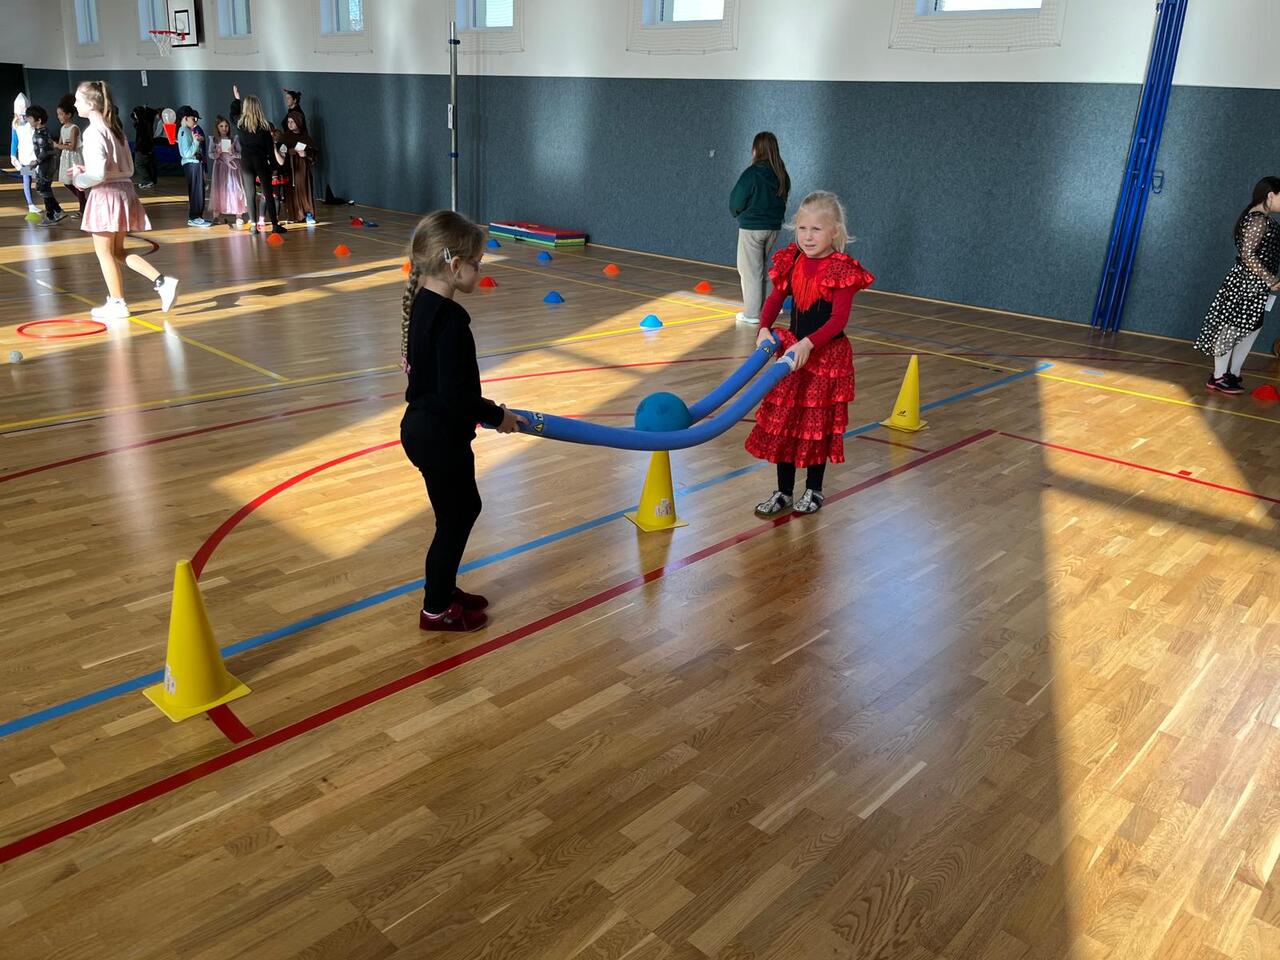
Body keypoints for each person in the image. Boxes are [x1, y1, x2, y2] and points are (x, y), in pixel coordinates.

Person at [400, 210, 525, 632]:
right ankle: (436, 608)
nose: (480, 270)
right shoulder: (452, 321)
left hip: (423, 429)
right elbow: (458, 397)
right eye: (477, 263)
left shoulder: (423, 303)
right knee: (459, 514)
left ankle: (444, 590)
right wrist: (498, 416)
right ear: (455, 266)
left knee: (454, 514)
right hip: (440, 436)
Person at [745, 191, 875, 517]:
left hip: (825, 357)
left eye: (816, 229)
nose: (807, 236)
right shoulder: (792, 260)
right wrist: (763, 327)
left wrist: (807, 344)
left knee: (816, 424)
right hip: (793, 355)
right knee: (785, 421)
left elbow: (838, 320)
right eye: (802, 228)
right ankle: (783, 491)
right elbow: (775, 299)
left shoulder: (841, 269)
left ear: (835, 231)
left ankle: (814, 489)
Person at [66, 80, 178, 319]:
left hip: (106, 196)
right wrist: (88, 171)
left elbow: (97, 175)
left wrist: (79, 178)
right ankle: (162, 282)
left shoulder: (93, 132)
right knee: (117, 251)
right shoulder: (116, 130)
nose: (75, 104)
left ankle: (118, 303)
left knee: (104, 253)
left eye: (77, 100)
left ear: (90, 104)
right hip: (124, 191)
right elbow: (124, 169)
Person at [1194, 176, 1280, 394]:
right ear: (1271, 195)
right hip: (1246, 284)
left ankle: (1232, 373)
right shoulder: (1258, 220)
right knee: (1232, 329)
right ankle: (1219, 376)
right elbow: (1247, 255)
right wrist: (1270, 279)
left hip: (1256, 285)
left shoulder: (1263, 219)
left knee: (1252, 327)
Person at [730, 131, 789, 325]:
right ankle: (768, 309)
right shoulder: (781, 174)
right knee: (760, 268)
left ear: (756, 149)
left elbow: (736, 200)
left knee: (749, 271)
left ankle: (752, 315)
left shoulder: (752, 173)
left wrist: (737, 213)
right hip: (773, 228)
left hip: (752, 228)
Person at [230, 88, 285, 234]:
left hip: (246, 161)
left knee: (250, 193)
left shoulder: (240, 124)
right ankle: (275, 225)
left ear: (245, 108)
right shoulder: (264, 127)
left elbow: (232, 114)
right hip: (261, 161)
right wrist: (274, 167)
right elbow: (270, 150)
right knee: (268, 192)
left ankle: (254, 225)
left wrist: (237, 100)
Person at [24, 104, 66, 225]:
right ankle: (58, 211)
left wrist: (36, 162)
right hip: (46, 163)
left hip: (46, 165)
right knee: (43, 187)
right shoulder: (41, 131)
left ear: (38, 120)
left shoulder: (41, 134)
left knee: (43, 187)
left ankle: (50, 216)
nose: (27, 120)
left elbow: (44, 152)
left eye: (30, 118)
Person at [207, 115, 246, 227]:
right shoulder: (214, 140)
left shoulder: (234, 139)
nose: (224, 128)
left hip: (232, 168)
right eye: (221, 126)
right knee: (219, 189)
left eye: (226, 126)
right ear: (217, 127)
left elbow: (241, 154)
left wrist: (233, 153)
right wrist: (217, 153)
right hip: (220, 168)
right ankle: (216, 215)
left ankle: (239, 215)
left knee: (235, 188)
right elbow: (210, 154)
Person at [176, 105, 211, 227]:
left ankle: (197, 216)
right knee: (196, 191)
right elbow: (186, 153)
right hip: (192, 164)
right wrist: (196, 141)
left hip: (194, 164)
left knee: (198, 191)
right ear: (186, 118)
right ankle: (194, 217)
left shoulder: (185, 131)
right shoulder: (184, 131)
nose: (194, 121)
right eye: (192, 118)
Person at [55, 94, 86, 214]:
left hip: (74, 158)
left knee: (77, 182)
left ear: (68, 115)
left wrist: (58, 146)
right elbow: (61, 143)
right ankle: (85, 202)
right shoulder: (63, 128)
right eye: (58, 114)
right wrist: (58, 146)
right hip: (66, 157)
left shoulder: (74, 128)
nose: (59, 117)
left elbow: (72, 147)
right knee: (67, 182)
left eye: (61, 114)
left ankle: (83, 207)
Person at [10, 94, 38, 214]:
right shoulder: (15, 125)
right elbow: (14, 141)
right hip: (24, 156)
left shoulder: (32, 122)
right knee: (27, 179)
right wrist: (12, 155)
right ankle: (30, 204)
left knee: (39, 178)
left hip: (35, 156)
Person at [130, 104, 158, 188]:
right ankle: (150, 181)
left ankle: (147, 181)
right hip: (148, 148)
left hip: (142, 148)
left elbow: (141, 138)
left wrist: (138, 148)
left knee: (139, 165)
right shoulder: (148, 122)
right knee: (148, 165)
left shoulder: (141, 124)